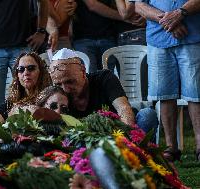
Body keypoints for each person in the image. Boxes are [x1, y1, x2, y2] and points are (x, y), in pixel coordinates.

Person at [132, 0, 200, 161]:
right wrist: (168, 20)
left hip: (192, 35)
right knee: (165, 95)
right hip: (158, 38)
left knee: (196, 94)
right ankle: (171, 147)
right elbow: (139, 5)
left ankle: (199, 146)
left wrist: (180, 13)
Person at [49, 48, 158, 135]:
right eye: (58, 84)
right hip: (84, 142)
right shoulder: (56, 94)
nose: (65, 89)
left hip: (118, 132)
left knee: (147, 115)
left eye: (70, 82)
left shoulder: (104, 78)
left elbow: (123, 108)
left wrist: (125, 141)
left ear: (83, 71)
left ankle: (143, 156)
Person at [0, 52, 52, 125]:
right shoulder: (10, 104)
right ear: (17, 75)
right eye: (21, 69)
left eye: (31, 68)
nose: (26, 73)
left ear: (41, 72)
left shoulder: (51, 99)